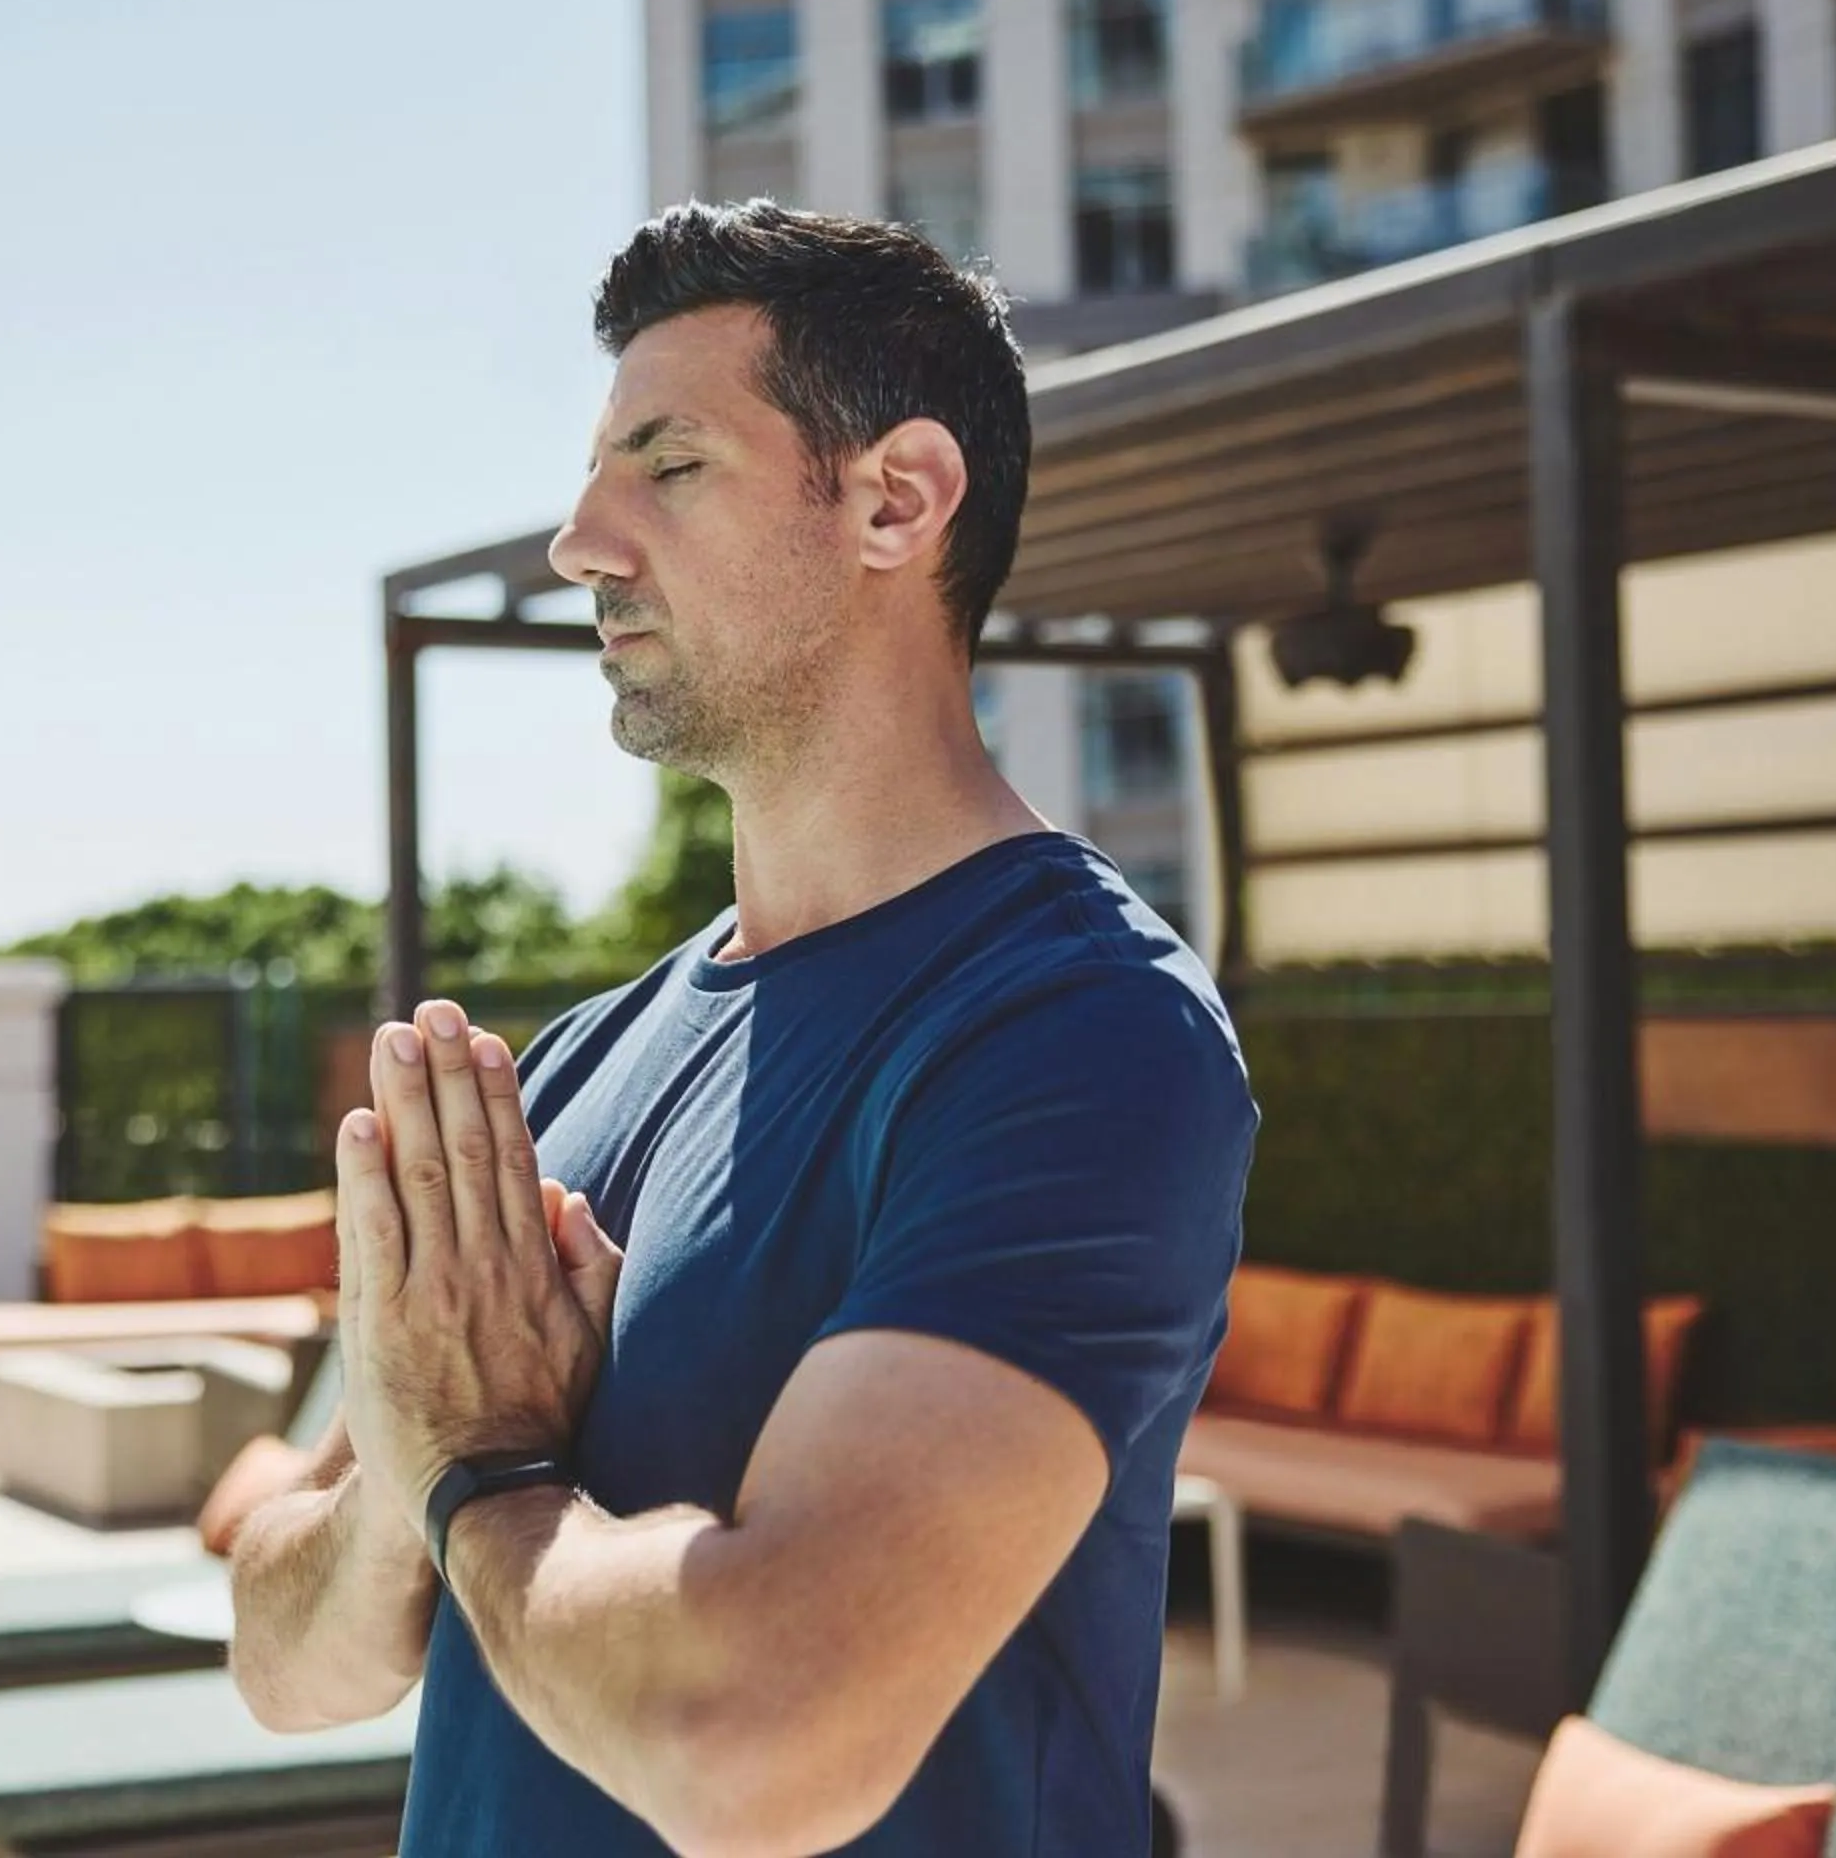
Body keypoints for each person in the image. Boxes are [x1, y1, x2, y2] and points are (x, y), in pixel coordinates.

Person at [230, 203, 1255, 1855]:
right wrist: (409, 1483)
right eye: (591, 474)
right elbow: (282, 1665)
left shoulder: (1077, 1036)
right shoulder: (568, 1065)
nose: (580, 540)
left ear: (894, 500)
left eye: (670, 464)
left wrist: (482, 1478)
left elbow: (765, 1740)